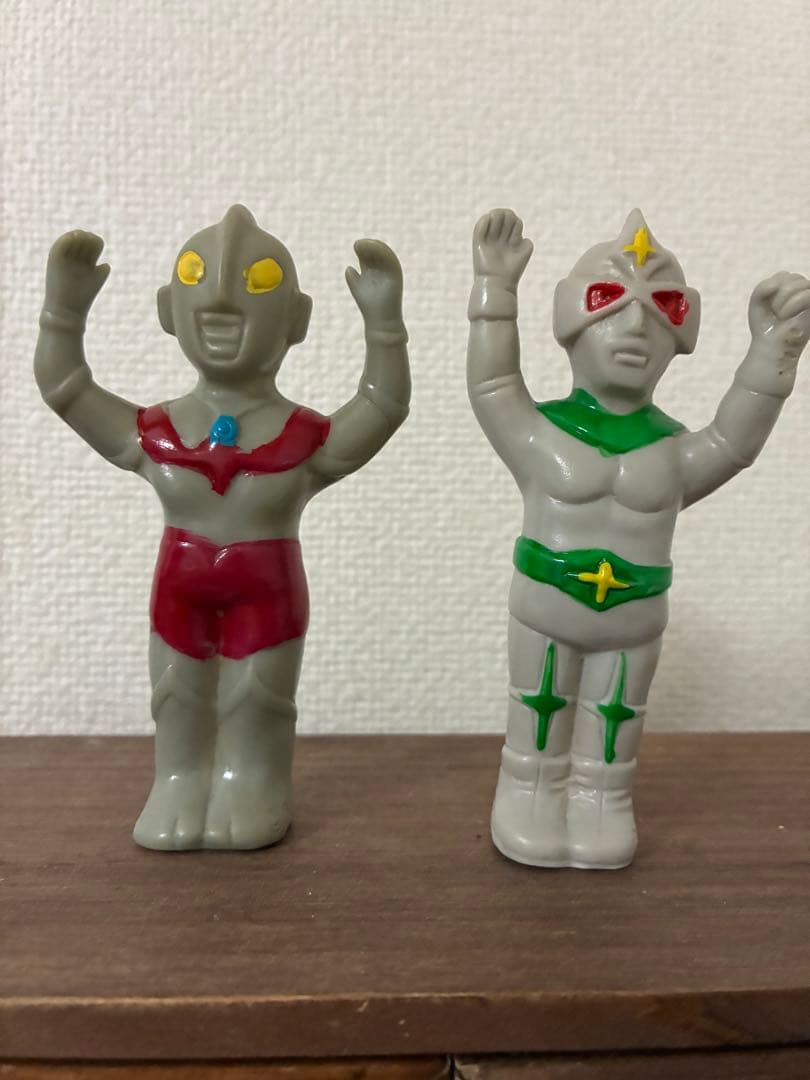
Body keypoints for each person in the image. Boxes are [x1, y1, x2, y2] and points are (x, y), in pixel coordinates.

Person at [35, 205, 410, 850]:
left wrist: (384, 325)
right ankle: (178, 782)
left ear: (298, 321)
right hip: (178, 590)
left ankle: (253, 783)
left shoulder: (304, 438)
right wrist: (63, 311)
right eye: (195, 275)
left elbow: (383, 405)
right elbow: (65, 386)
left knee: (257, 699)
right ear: (167, 309)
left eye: (259, 281)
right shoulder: (155, 432)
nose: (220, 302)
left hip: (269, 595)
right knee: (177, 695)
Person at [467, 208, 810, 868]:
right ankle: (527, 790)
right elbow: (492, 384)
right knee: (537, 720)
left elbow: (733, 442)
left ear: (680, 336)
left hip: (634, 624)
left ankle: (602, 799)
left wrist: (774, 352)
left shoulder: (672, 450)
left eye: (658, 312)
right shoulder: (540, 433)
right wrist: (494, 290)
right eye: (611, 305)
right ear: (571, 324)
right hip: (545, 614)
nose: (633, 329)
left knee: (614, 727)